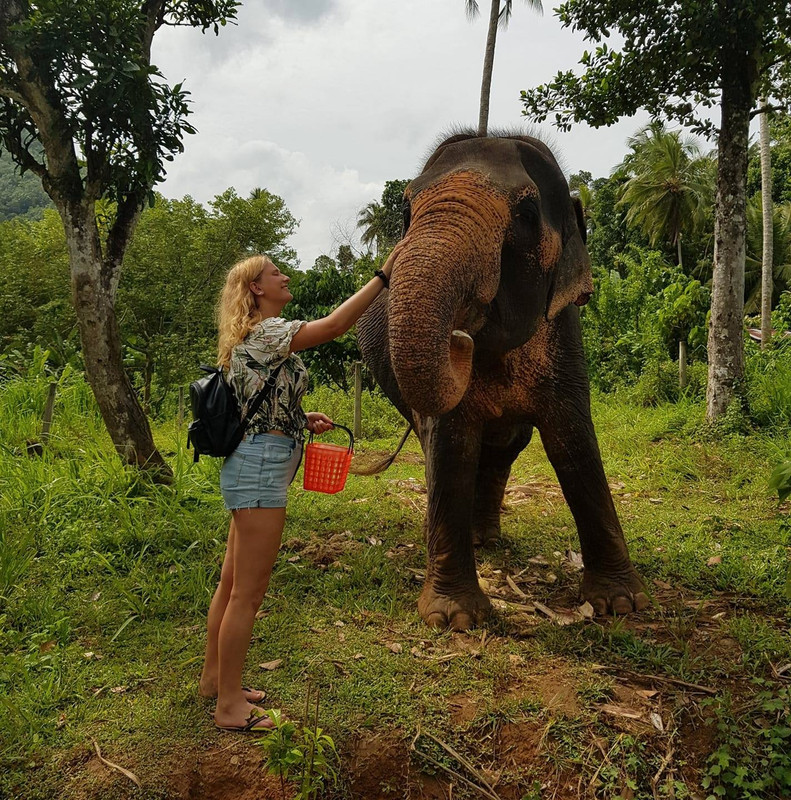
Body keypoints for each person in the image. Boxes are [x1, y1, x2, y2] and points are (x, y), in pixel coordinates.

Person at [198, 242, 404, 732]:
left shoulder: (254, 337)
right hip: (261, 470)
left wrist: (299, 417)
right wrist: (383, 276)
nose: (284, 276)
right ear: (256, 288)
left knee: (231, 585)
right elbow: (334, 326)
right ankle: (229, 706)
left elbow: (261, 402)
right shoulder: (268, 331)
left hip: (255, 461)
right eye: (275, 272)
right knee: (248, 593)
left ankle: (214, 680)